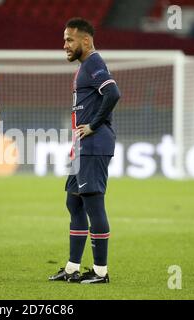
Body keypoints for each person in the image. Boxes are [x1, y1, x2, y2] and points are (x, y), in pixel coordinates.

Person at [49, 18, 121, 284]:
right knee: (74, 201)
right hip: (83, 146)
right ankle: (72, 268)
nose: (65, 44)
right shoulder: (85, 67)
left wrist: (93, 125)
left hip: (94, 144)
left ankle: (101, 272)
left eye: (70, 39)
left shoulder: (93, 63)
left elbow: (113, 93)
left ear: (86, 41)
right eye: (64, 39)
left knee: (93, 204)